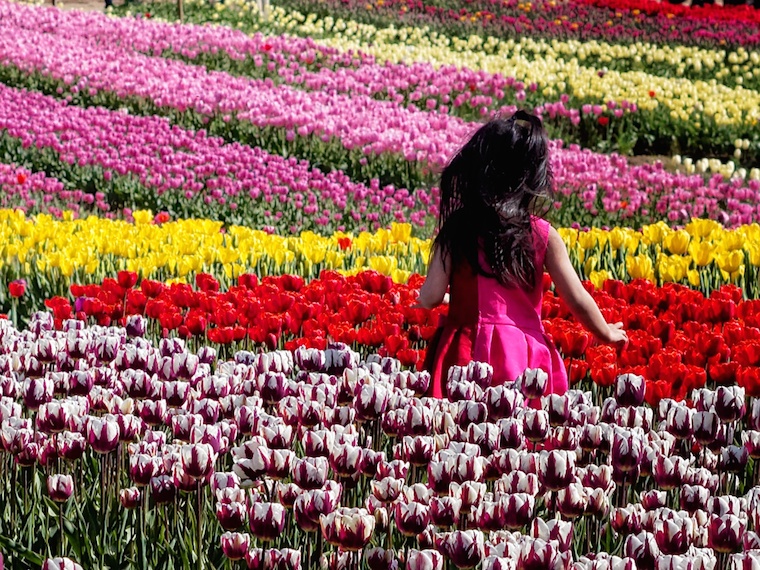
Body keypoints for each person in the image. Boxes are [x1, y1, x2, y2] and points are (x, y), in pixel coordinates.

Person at [415, 111, 628, 399]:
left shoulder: (457, 228)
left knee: (464, 433)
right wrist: (605, 332)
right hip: (523, 354)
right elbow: (576, 298)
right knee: (520, 433)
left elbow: (430, 297)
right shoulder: (543, 235)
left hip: (466, 350)